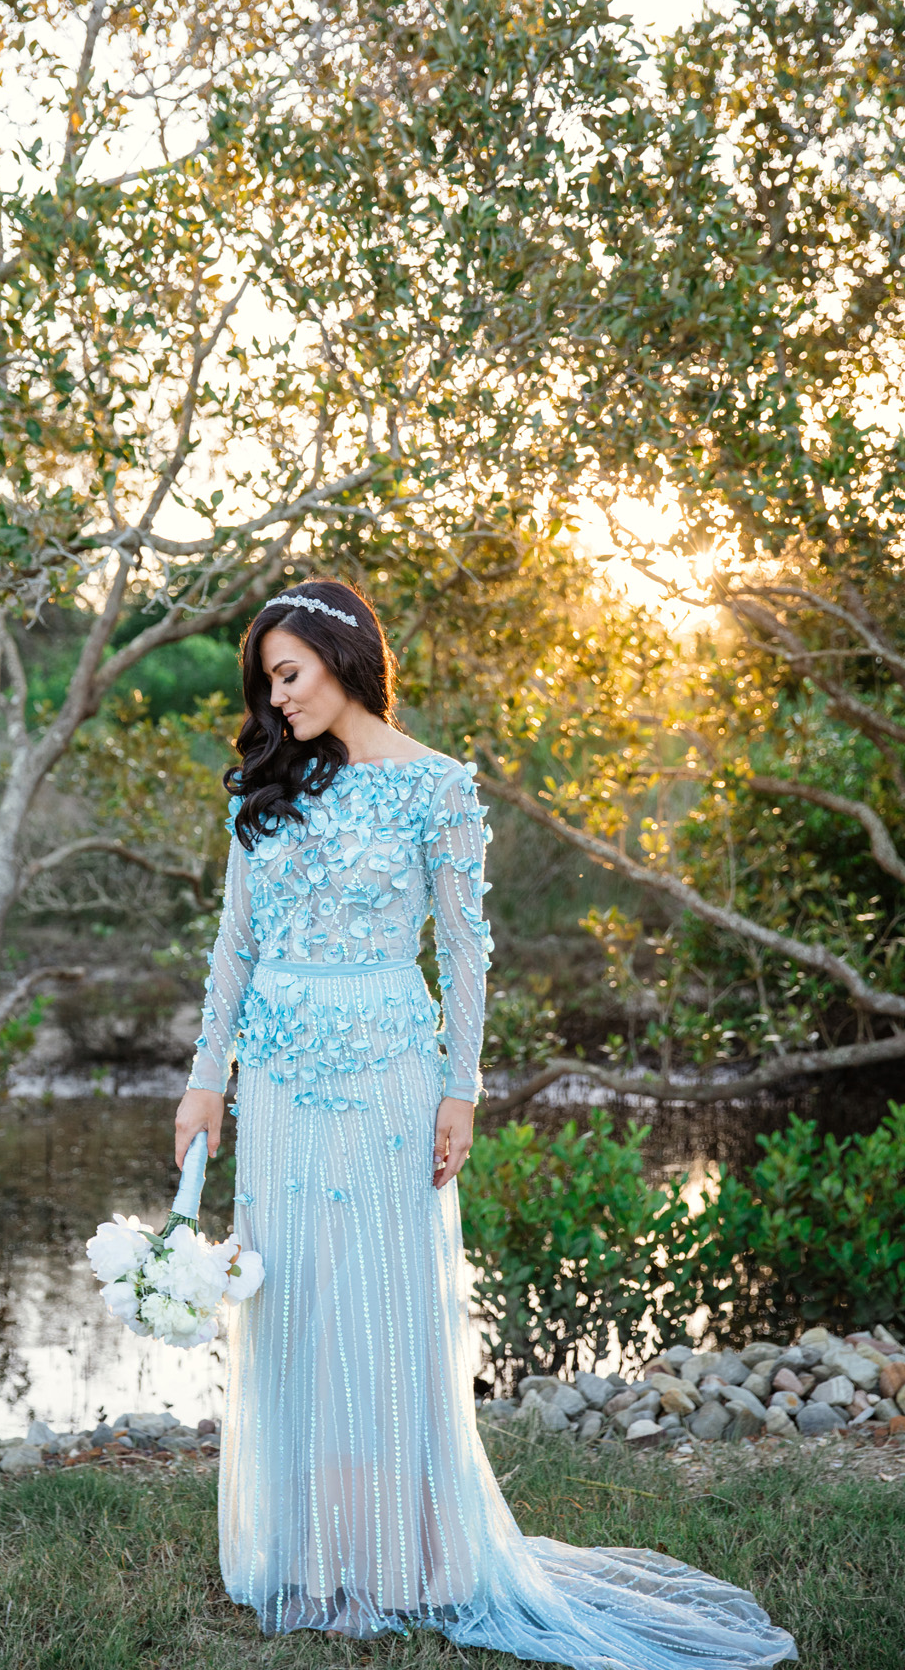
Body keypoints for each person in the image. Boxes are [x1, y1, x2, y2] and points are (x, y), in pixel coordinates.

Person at [173, 578, 797, 1667]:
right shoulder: (262, 792)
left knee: (377, 1304)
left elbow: (465, 955)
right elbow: (235, 948)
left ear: (345, 657)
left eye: (291, 675)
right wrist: (204, 1078)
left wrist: (459, 1088)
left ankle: (397, 1558)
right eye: (265, 684)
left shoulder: (438, 788)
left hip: (388, 1074)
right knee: (297, 1302)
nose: (275, 703)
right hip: (274, 1076)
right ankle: (315, 1554)